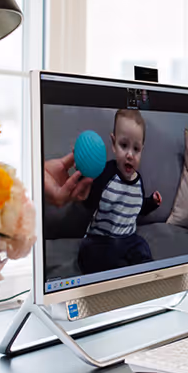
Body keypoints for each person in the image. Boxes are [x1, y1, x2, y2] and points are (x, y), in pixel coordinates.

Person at [77, 109, 162, 274]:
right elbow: (90, 203)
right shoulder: (105, 173)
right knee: (89, 252)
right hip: (101, 239)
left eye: (136, 149)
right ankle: (116, 271)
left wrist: (151, 202)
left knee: (142, 246)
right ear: (113, 144)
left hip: (127, 239)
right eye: (124, 146)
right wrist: (84, 184)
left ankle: (145, 273)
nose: (130, 155)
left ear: (142, 150)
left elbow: (135, 207)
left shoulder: (138, 181)